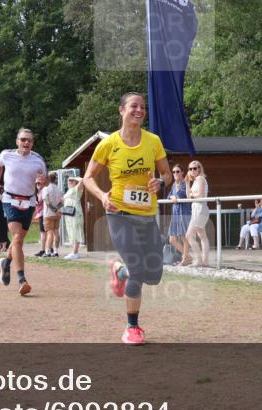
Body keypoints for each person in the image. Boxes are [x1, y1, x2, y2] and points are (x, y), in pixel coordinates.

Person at [83, 92, 171, 345]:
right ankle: (132, 326)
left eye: (143, 107)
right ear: (121, 110)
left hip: (146, 216)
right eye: (134, 106)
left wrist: (160, 181)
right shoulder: (108, 144)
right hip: (119, 214)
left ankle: (119, 271)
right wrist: (101, 195)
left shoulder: (153, 141)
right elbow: (88, 177)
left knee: (153, 276)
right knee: (138, 269)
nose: (140, 110)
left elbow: (166, 173)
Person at [0, 128, 47, 296]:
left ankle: (6, 263)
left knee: (19, 241)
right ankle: (22, 279)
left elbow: (43, 182)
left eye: (29, 140)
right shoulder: (6, 154)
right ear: (17, 141)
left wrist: (41, 183)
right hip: (9, 199)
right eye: (23, 139)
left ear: (32, 143)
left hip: (29, 201)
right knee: (17, 238)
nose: (26, 143)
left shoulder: (38, 160)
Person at [185, 160, 210, 267]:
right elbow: (188, 196)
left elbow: (199, 195)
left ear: (199, 169)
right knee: (202, 236)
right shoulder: (195, 180)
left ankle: (199, 260)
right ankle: (205, 261)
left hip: (200, 209)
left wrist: (192, 195)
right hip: (198, 209)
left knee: (189, 235)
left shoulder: (200, 178)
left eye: (195, 168)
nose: (192, 170)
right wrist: (187, 183)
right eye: (190, 169)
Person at [167, 164, 191, 265]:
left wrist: (175, 197)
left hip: (184, 213)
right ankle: (188, 256)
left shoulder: (185, 183)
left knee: (184, 237)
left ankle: (185, 259)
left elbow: (183, 195)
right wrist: (173, 197)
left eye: (177, 171)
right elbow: (169, 196)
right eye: (174, 172)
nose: (175, 173)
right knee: (172, 239)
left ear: (182, 172)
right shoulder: (173, 185)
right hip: (175, 213)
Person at [40, 172, 63, 257]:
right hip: (57, 214)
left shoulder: (45, 189)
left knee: (49, 233)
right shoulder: (58, 189)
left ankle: (47, 251)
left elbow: (47, 202)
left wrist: (54, 210)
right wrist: (57, 210)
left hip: (48, 214)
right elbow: (62, 202)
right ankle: (56, 251)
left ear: (48, 179)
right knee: (56, 232)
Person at [61, 175, 84, 259]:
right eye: (69, 180)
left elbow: (82, 180)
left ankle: (75, 252)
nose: (70, 182)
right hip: (69, 213)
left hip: (75, 212)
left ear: (75, 181)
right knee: (71, 230)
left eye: (71, 180)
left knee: (76, 230)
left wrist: (75, 178)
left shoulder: (78, 188)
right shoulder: (69, 191)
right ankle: (74, 251)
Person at [32, 177, 46, 257]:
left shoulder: (42, 191)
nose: (37, 185)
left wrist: (34, 202)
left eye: (39, 183)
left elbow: (39, 202)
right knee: (45, 232)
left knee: (43, 233)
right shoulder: (39, 192)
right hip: (42, 213)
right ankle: (47, 248)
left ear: (43, 184)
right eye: (36, 183)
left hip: (43, 214)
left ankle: (43, 250)